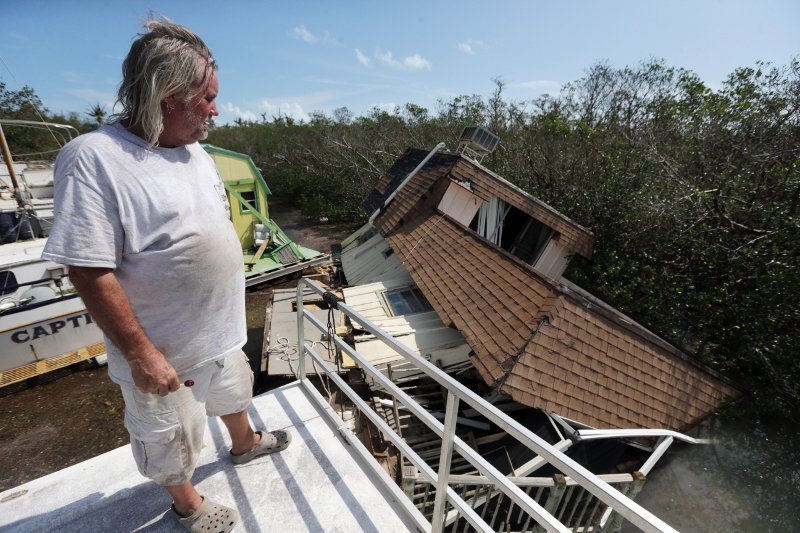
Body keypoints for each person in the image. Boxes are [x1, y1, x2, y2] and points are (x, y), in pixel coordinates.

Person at [42, 17, 290, 533]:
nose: (215, 111)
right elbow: (88, 270)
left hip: (219, 333)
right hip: (164, 350)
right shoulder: (94, 159)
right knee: (170, 439)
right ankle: (187, 505)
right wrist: (141, 353)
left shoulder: (194, 151)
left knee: (234, 393)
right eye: (206, 99)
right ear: (165, 94)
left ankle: (244, 444)